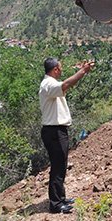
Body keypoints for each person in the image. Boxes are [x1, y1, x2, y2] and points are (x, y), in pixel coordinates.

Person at [39, 57, 94, 214]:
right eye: (60, 68)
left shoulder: (50, 84)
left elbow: (65, 86)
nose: (62, 70)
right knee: (57, 167)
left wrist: (81, 71)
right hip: (53, 131)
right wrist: (83, 71)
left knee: (61, 165)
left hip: (57, 130)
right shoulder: (48, 84)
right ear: (55, 69)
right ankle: (55, 204)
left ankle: (60, 198)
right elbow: (66, 84)